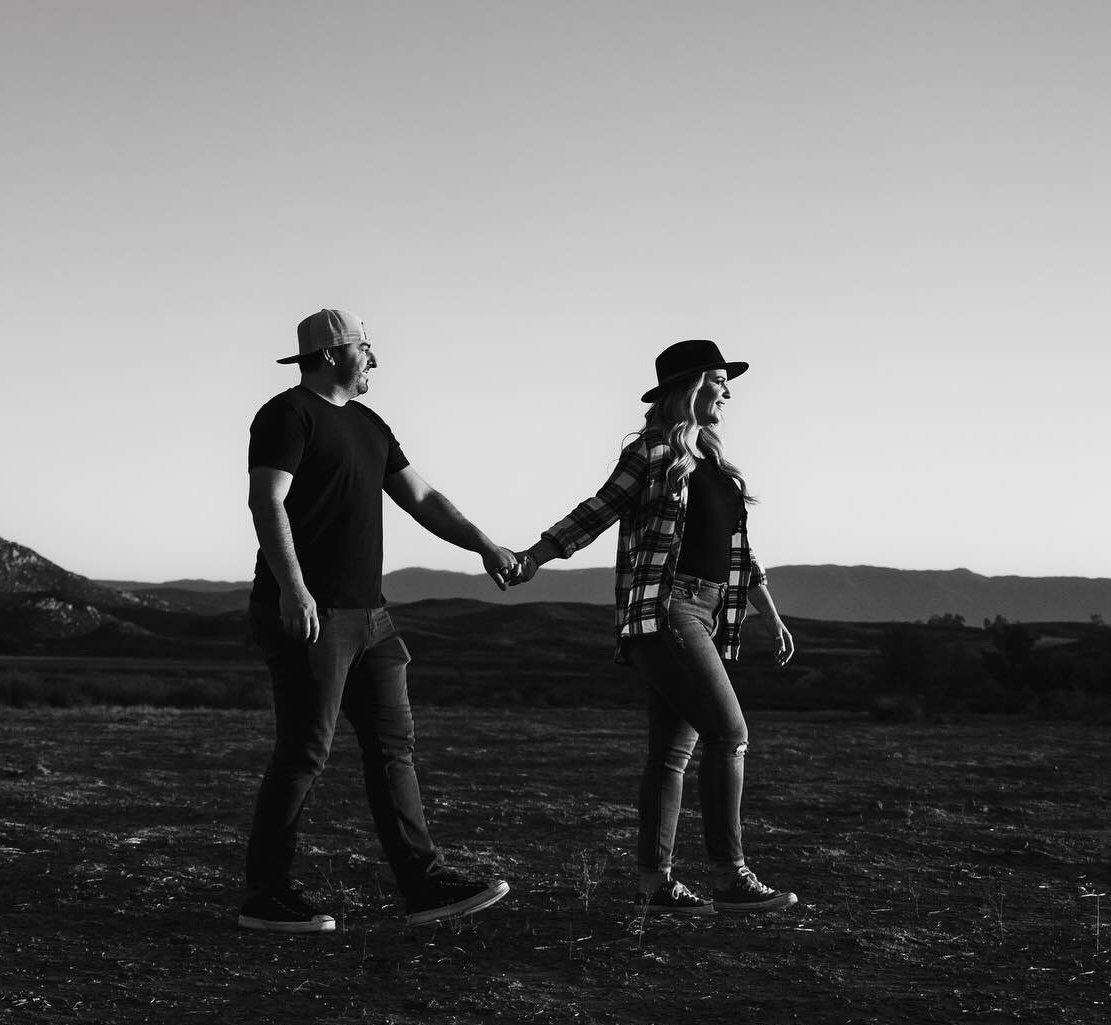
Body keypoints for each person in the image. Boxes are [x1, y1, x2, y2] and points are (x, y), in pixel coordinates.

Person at [240, 307, 515, 935]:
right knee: (304, 752)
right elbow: (266, 499)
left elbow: (421, 497)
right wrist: (293, 589)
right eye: (367, 349)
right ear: (336, 353)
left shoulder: (369, 424)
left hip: (372, 618)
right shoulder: (287, 414)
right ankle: (264, 897)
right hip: (313, 612)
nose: (374, 360)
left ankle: (423, 884)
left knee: (394, 749)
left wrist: (484, 545)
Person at [511, 339, 798, 919]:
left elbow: (738, 552)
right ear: (692, 386)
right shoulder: (653, 453)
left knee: (671, 754)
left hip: (711, 613)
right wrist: (535, 556)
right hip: (666, 610)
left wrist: (768, 611)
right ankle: (729, 876)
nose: (729, 392)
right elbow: (597, 510)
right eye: (720, 380)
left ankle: (655, 885)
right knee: (730, 734)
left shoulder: (715, 465)